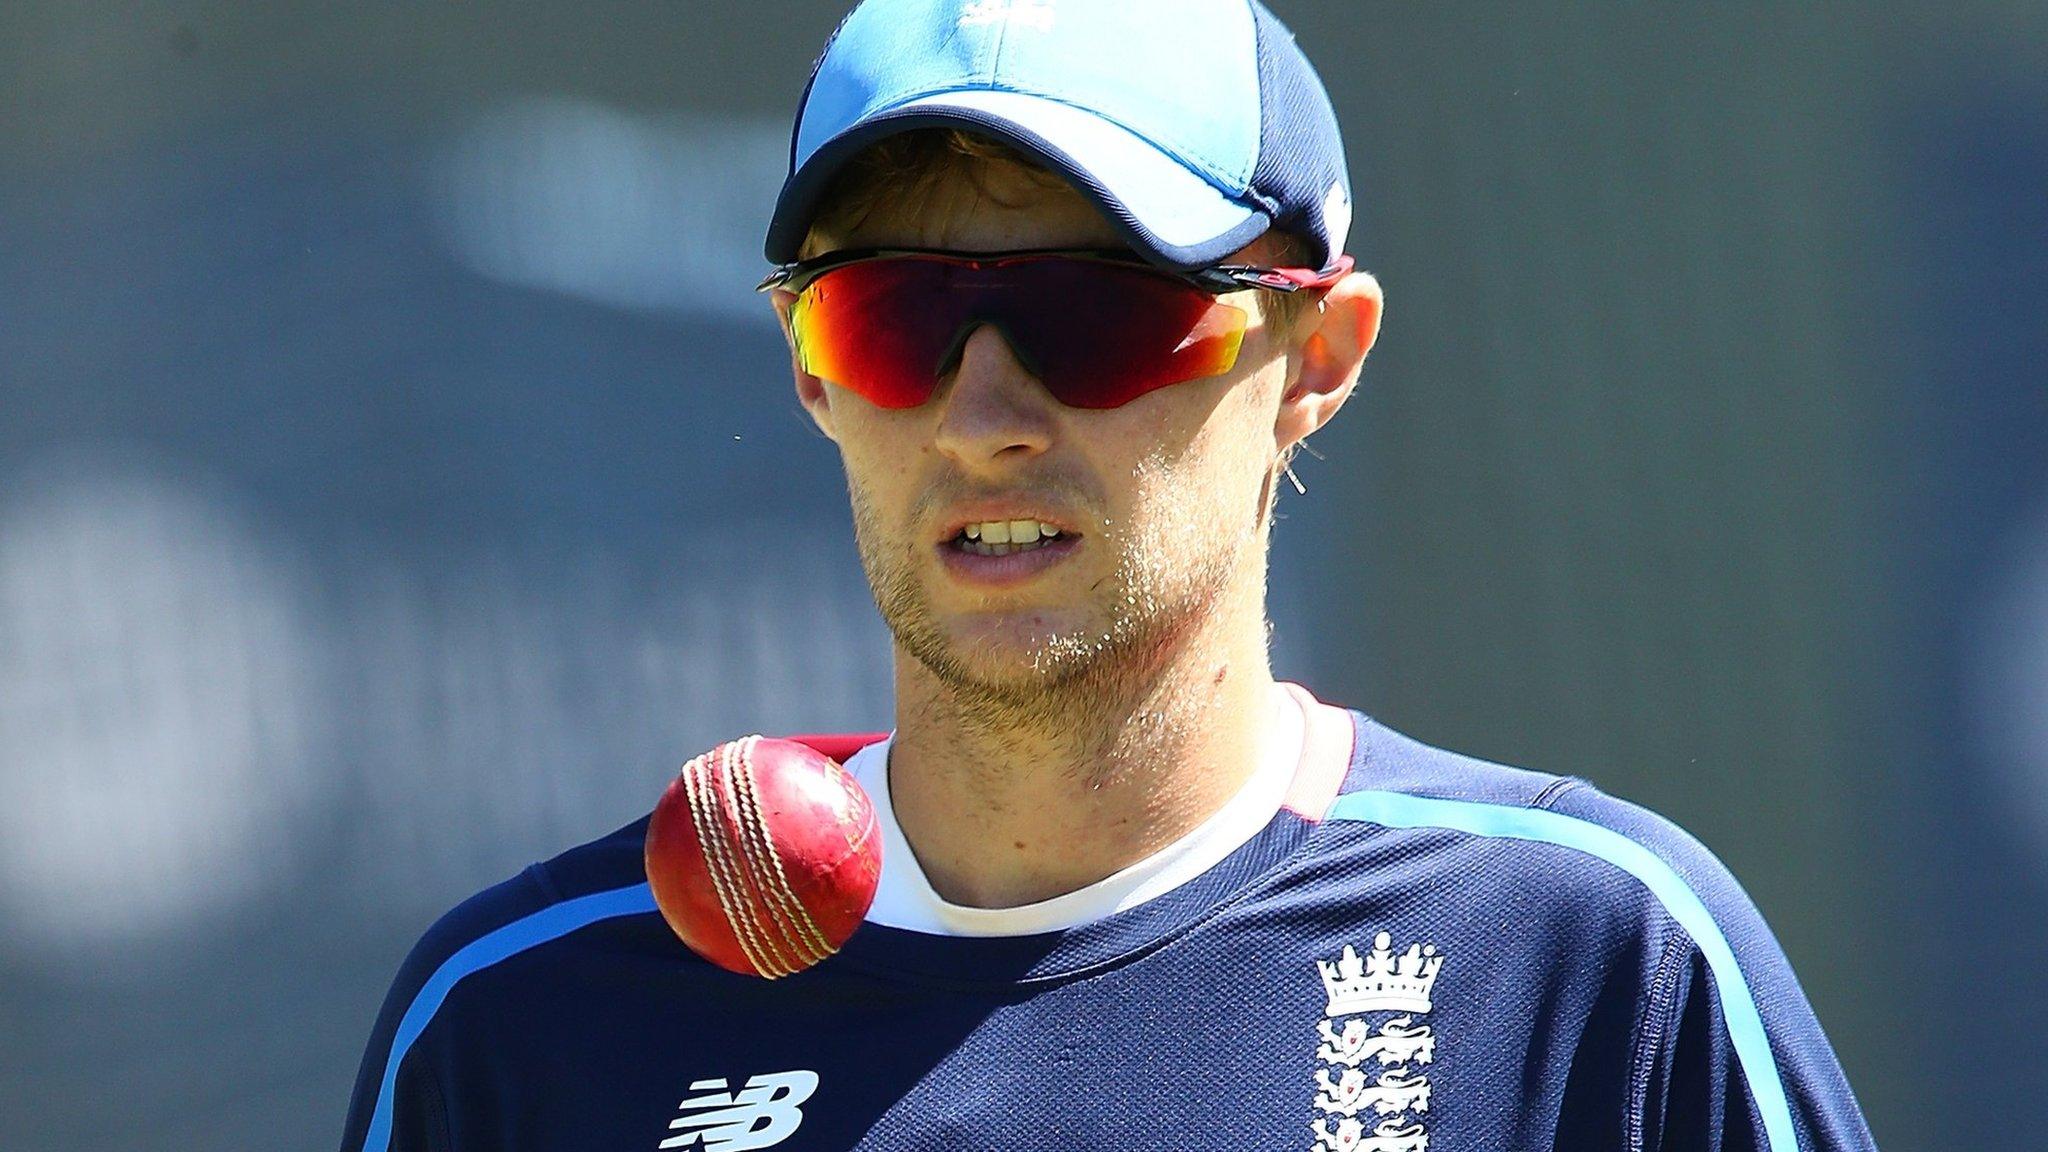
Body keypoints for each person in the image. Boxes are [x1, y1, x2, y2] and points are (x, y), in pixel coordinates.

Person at [341, 2, 1879, 1150]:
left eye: (1095, 311)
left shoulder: (1584, 961)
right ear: (810, 375)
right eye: (889, 316)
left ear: (1317, 358)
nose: (984, 417)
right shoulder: (525, 1021)